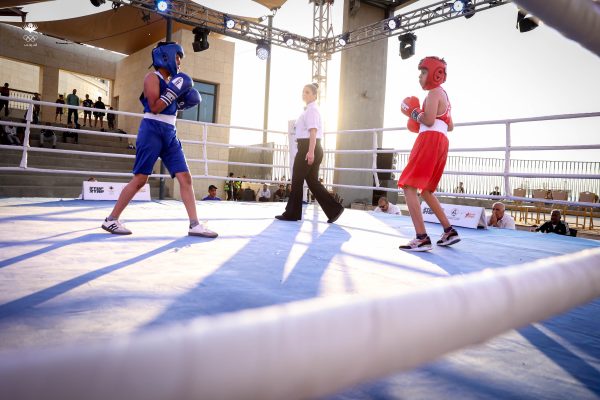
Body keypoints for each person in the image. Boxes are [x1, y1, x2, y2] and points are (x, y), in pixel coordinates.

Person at [101, 41, 217, 238]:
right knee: (140, 179)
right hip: (151, 129)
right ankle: (111, 219)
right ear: (166, 57)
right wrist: (173, 93)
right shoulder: (152, 78)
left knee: (185, 177)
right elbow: (155, 107)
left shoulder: (174, 82)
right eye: (177, 57)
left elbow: (170, 107)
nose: (179, 62)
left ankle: (194, 224)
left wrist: (179, 100)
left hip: (170, 132)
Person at [397, 56, 460, 251]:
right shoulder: (444, 95)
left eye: (423, 72)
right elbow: (449, 125)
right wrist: (420, 119)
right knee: (425, 190)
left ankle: (422, 237)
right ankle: (449, 231)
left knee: (408, 186)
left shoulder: (433, 93)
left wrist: (413, 112)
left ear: (434, 74)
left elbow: (429, 120)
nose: (420, 76)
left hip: (430, 141)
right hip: (441, 142)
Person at [276, 83, 344, 223]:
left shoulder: (312, 110)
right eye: (303, 92)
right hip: (311, 147)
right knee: (312, 182)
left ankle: (292, 213)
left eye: (307, 92)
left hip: (308, 148)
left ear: (314, 95)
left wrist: (310, 152)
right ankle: (334, 210)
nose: (304, 94)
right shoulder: (310, 110)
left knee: (297, 179)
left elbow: (313, 132)